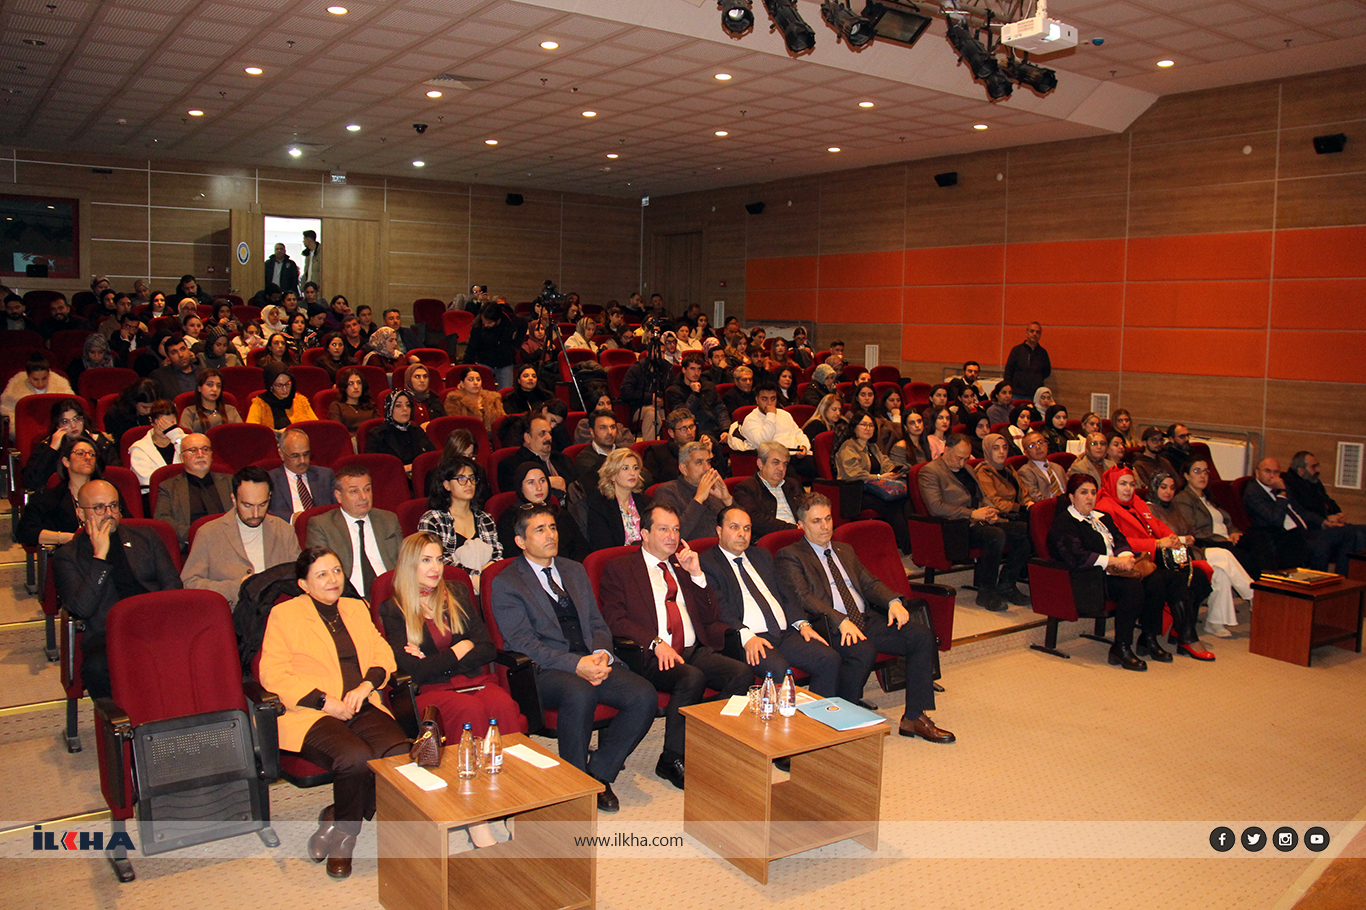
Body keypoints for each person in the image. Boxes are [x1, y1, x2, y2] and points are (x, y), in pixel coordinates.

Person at [491, 503, 656, 811]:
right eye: (540, 530)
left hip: (589, 656)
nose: (550, 535)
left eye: (552, 528)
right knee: (580, 692)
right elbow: (522, 643)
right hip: (546, 669)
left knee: (643, 695)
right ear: (520, 541)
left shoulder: (573, 570)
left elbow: (596, 622)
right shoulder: (507, 583)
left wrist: (602, 654)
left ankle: (599, 772)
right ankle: (576, 780)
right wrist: (576, 664)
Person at [260, 546, 408, 879]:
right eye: (322, 574)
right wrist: (324, 701)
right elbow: (273, 674)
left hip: (360, 704)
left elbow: (383, 655)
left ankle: (334, 816)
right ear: (303, 584)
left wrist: (365, 687)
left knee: (398, 755)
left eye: (337, 571)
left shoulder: (356, 608)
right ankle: (345, 836)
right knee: (355, 758)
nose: (333, 580)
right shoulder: (284, 615)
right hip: (311, 711)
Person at [775, 493, 954, 742]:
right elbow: (803, 597)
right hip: (830, 626)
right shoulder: (791, 555)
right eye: (816, 521)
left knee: (920, 636)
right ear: (801, 525)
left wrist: (892, 601)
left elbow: (869, 583)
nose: (825, 526)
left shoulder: (844, 550)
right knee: (862, 650)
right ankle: (842, 715)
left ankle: (914, 717)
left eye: (828, 518)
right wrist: (840, 620)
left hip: (863, 619)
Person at [598, 506, 753, 794]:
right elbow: (615, 620)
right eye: (664, 529)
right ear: (644, 534)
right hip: (650, 654)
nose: (672, 536)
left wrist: (697, 575)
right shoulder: (620, 568)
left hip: (692, 649)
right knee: (691, 677)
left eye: (676, 529)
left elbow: (710, 616)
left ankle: (709, 744)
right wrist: (655, 642)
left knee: (741, 673)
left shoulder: (682, 567)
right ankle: (672, 758)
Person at [378, 530, 523, 740]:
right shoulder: (394, 609)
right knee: (468, 709)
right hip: (430, 690)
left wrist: (435, 663)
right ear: (409, 564)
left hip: (473, 680)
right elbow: (415, 671)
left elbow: (486, 649)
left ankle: (511, 760)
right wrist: (459, 649)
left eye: (439, 560)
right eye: (426, 560)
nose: (436, 568)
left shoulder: (457, 593)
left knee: (502, 704)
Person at [53, 480, 183, 698]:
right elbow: (82, 608)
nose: (108, 514)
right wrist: (100, 558)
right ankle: (117, 718)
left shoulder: (146, 537)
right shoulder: (67, 556)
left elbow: (172, 584)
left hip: (155, 623)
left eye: (113, 506)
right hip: (107, 635)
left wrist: (160, 618)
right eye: (98, 508)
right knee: (96, 669)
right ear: (81, 513)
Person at [701, 505, 840, 694]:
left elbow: (785, 594)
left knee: (829, 658)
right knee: (778, 670)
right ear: (719, 531)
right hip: (750, 637)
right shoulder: (708, 562)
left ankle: (817, 712)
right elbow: (720, 608)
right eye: (734, 527)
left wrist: (802, 624)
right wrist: (746, 636)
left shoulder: (761, 555)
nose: (742, 534)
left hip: (783, 633)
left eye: (747, 528)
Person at [1049, 474, 1173, 672]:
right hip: (1088, 579)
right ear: (1071, 497)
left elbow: (1120, 540)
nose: (1089, 497)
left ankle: (1148, 638)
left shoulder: (1102, 517)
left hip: (1114, 572)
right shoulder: (1065, 522)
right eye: (1083, 493)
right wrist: (1114, 561)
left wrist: (1125, 558)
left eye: (1093, 492)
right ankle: (1121, 647)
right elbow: (1078, 556)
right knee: (1132, 587)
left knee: (1155, 580)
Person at [1095, 466, 1214, 661]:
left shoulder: (1136, 502)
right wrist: (1157, 544)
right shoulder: (1105, 508)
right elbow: (1118, 541)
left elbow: (1156, 524)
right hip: (1133, 560)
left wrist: (1172, 537)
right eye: (1123, 484)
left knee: (1197, 577)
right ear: (1111, 485)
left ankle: (1176, 631)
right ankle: (1183, 637)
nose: (1128, 489)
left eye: (1131, 484)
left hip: (1154, 556)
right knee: (1171, 580)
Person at [919, 434, 1032, 610]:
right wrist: (973, 513)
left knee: (1024, 530)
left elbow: (982, 496)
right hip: (955, 527)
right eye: (959, 458)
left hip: (979, 521)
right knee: (995, 535)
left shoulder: (968, 469)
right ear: (946, 449)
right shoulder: (930, 471)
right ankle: (986, 592)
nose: (962, 463)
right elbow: (936, 507)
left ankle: (1007, 583)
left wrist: (990, 510)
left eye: (966, 458)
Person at [1147, 472, 1254, 638]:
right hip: (1169, 557)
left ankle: (1216, 622)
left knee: (1221, 571)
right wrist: (1184, 539)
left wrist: (1187, 538)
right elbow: (1157, 538)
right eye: (1163, 487)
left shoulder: (1173, 507)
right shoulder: (1149, 509)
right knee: (1223, 555)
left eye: (1172, 488)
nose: (1168, 492)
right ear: (1155, 488)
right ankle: (1254, 595)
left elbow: (1189, 529)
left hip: (1188, 551)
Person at [182, 466, 300, 606]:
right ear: (234, 499)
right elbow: (189, 583)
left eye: (262, 505)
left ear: (269, 497)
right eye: (247, 505)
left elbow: (300, 576)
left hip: (278, 610)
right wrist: (237, 587)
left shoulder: (284, 530)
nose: (256, 514)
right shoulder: (208, 533)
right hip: (231, 611)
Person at [1244, 457, 1355, 576]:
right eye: (1267, 471)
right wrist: (1282, 495)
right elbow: (1275, 520)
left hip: (1304, 531)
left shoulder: (1278, 487)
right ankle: (1316, 582)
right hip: (1283, 538)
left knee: (1349, 534)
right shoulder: (1253, 492)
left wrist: (1323, 521)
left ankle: (1342, 579)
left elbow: (1299, 511)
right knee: (1321, 547)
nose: (1272, 476)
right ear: (1257, 473)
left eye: (1276, 472)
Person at [305, 465, 402, 600]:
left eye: (367, 489)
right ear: (338, 496)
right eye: (354, 491)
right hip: (348, 597)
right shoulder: (322, 525)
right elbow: (320, 572)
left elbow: (405, 562)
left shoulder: (388, 519)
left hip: (391, 594)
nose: (363, 497)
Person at [836, 411, 913, 557]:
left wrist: (892, 472)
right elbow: (854, 475)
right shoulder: (848, 447)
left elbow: (885, 462)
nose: (868, 428)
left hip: (876, 489)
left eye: (871, 425)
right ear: (854, 427)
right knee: (891, 505)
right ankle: (907, 546)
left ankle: (911, 543)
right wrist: (879, 477)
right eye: (863, 425)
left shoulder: (872, 447)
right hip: (856, 492)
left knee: (906, 499)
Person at [419, 456, 501, 590]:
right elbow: (437, 560)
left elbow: (497, 554)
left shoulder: (485, 518)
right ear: (446, 485)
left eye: (472, 478)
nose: (468, 483)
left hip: (488, 582)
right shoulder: (432, 520)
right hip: (450, 586)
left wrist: (486, 573)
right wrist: (473, 576)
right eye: (461, 479)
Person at [16, 438, 105, 547]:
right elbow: (25, 532)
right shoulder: (50, 499)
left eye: (92, 454)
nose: (87, 458)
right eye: (80, 453)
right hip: (69, 553)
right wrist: (66, 538)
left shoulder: (108, 492)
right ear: (66, 462)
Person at [153, 433, 233, 549]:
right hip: (193, 545)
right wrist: (194, 533)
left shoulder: (230, 481)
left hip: (230, 543)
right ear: (182, 458)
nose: (200, 455)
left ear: (211, 455)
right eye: (192, 451)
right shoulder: (169, 487)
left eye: (205, 449)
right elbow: (162, 519)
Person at [497, 462, 589, 561]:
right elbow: (513, 558)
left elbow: (581, 550)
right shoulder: (510, 519)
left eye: (542, 481)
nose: (539, 488)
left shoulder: (560, 513)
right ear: (521, 488)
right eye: (531, 482)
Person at [23, 397, 119, 491]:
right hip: (60, 495)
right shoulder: (47, 445)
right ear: (58, 426)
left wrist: (100, 444)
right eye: (65, 422)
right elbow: (30, 481)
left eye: (76, 419)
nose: (73, 425)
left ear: (83, 419)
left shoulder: (99, 440)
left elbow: (116, 474)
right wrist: (52, 450)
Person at [652, 441, 734, 541]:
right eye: (699, 462)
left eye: (708, 462)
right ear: (684, 469)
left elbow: (744, 528)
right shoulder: (668, 491)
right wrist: (698, 499)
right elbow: (672, 536)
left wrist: (727, 499)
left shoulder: (714, 490)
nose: (707, 468)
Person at [1284, 451, 1364, 550]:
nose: (1318, 470)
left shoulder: (1313, 481)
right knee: (1352, 534)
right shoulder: (1289, 485)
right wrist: (1324, 520)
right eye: (1314, 467)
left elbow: (1327, 500)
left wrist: (1338, 513)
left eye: (1317, 466)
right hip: (1310, 529)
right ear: (1301, 471)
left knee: (1362, 530)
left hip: (1323, 523)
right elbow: (1301, 512)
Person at [584, 447, 652, 551]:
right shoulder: (600, 507)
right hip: (618, 558)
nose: (632, 473)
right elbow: (603, 548)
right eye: (625, 468)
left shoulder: (647, 503)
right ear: (612, 475)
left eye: (635, 468)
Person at [731, 441, 803, 540]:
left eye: (785, 464)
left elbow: (806, 509)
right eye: (776, 463)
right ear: (760, 464)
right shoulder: (746, 488)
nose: (781, 468)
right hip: (772, 539)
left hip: (800, 536)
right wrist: (793, 529)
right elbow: (755, 520)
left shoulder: (792, 484)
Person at [268, 427, 338, 522]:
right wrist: (292, 518)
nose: (302, 461)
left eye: (306, 454)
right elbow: (266, 512)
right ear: (281, 455)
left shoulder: (325, 476)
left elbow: (338, 509)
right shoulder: (270, 480)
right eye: (295, 456)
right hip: (289, 528)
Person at [497, 415, 573, 495]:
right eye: (542, 433)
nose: (549, 437)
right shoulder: (510, 466)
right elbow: (515, 496)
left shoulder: (563, 459)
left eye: (550, 433)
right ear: (527, 437)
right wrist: (546, 482)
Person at [1, 353, 74, 436]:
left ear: (49, 374)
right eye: (35, 379)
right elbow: (8, 413)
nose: (40, 383)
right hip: (27, 432)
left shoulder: (61, 386)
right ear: (28, 376)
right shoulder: (14, 389)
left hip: (57, 431)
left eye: (44, 378)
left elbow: (71, 410)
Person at [366, 390, 434, 474]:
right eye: (398, 406)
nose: (405, 409)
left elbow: (432, 457)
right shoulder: (377, 435)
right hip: (392, 479)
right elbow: (374, 468)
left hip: (420, 476)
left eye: (408, 405)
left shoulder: (417, 431)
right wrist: (405, 468)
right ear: (389, 409)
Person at [128, 399, 185, 489]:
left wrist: (176, 437)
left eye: (171, 424)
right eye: (161, 423)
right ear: (151, 421)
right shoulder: (139, 449)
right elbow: (147, 480)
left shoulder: (186, 440)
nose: (166, 428)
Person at [462, 301, 519, 389]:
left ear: (497, 320)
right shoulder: (478, 326)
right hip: (484, 361)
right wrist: (465, 367)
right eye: (483, 320)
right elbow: (471, 347)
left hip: (505, 363)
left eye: (489, 322)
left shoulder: (509, 323)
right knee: (480, 389)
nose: (485, 324)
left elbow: (522, 326)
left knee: (507, 390)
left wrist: (514, 347)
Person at [975, 433, 1032, 520]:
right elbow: (994, 501)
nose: (1002, 451)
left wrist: (1029, 502)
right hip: (1002, 517)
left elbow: (1023, 491)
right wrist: (1020, 508)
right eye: (996, 448)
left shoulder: (1009, 469)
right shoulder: (983, 472)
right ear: (988, 450)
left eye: (1005, 448)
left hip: (1019, 512)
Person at [247, 364, 318, 434]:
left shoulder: (300, 400)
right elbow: (253, 430)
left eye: (288, 384)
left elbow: (314, 425)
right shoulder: (260, 404)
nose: (284, 389)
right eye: (279, 385)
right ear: (271, 386)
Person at [443, 366, 505, 436]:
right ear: (462, 383)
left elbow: (502, 422)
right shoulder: (454, 400)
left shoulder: (494, 398)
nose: (475, 383)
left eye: (478, 380)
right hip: (467, 438)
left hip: (494, 437)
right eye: (471, 380)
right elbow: (455, 427)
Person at [178, 368, 241, 433]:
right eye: (210, 385)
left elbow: (241, 433)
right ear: (199, 388)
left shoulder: (231, 410)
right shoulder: (190, 412)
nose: (215, 389)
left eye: (218, 386)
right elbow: (185, 436)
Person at [572, 408, 625, 484]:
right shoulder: (585, 458)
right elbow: (597, 483)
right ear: (592, 432)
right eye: (603, 428)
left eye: (612, 427)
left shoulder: (623, 453)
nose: (610, 432)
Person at [1003, 321, 1050, 402]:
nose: (1034, 334)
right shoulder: (1017, 350)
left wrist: (1036, 380)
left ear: (1040, 335)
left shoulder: (1043, 353)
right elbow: (1008, 371)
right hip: (1016, 394)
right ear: (1026, 333)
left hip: (1035, 395)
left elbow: (1047, 372)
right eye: (1032, 331)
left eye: (1037, 332)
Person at [1016, 431, 1069, 502]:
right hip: (1049, 506)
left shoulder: (1058, 468)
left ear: (1047, 445)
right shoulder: (1025, 472)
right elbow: (1036, 499)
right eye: (1032, 446)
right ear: (1026, 453)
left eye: (1041, 443)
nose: (1038, 447)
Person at [148, 334, 200, 400]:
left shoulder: (202, 372)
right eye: (174, 352)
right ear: (168, 357)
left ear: (188, 350)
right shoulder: (159, 377)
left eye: (183, 349)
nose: (180, 355)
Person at [327, 367, 375, 433]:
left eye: (359, 383)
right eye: (351, 384)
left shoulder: (370, 405)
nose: (356, 387)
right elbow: (337, 431)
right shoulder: (337, 406)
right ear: (344, 387)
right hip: (347, 438)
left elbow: (377, 429)